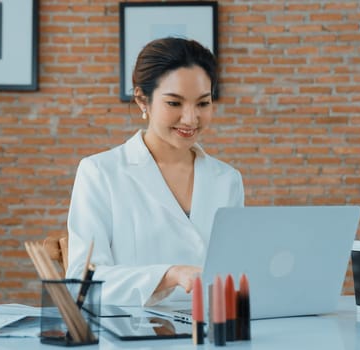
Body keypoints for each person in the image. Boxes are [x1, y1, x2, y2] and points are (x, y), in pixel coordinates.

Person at [65, 37, 244, 306]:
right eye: (174, 103)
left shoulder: (227, 179)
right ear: (142, 100)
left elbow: (235, 273)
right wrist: (168, 275)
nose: (190, 118)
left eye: (203, 103)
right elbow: (81, 284)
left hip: (213, 329)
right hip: (136, 335)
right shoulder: (101, 172)